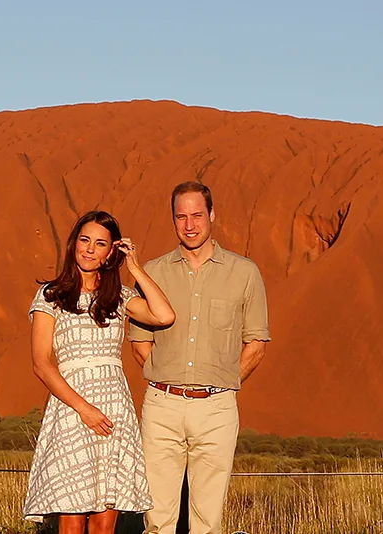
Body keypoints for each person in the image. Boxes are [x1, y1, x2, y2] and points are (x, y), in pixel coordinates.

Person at [129, 182, 271, 534]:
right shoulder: (153, 272)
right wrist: (165, 375)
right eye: (181, 217)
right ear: (173, 220)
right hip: (162, 405)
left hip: (217, 408)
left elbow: (256, 342)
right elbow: (139, 342)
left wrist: (223, 383)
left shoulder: (244, 273)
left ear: (212, 216)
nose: (189, 225)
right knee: (157, 519)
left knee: (208, 522)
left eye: (197, 215)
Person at [23, 210, 175, 534]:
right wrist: (84, 409)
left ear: (110, 253)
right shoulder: (51, 296)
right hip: (72, 411)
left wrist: (134, 267)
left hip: (114, 411)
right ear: (74, 244)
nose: (90, 249)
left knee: (106, 521)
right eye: (85, 240)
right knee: (73, 517)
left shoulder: (120, 298)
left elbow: (164, 316)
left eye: (100, 244)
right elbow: (40, 362)